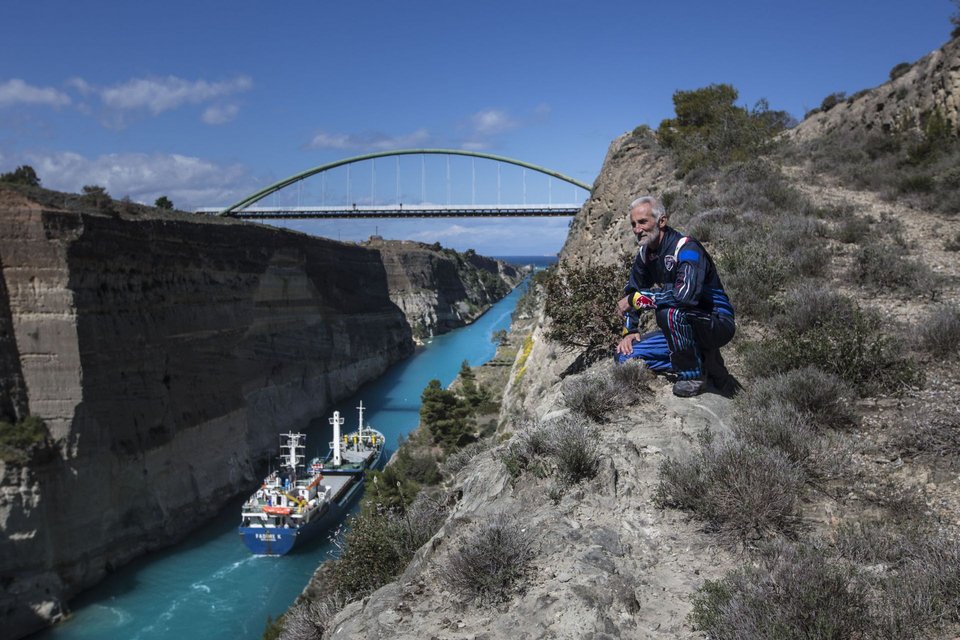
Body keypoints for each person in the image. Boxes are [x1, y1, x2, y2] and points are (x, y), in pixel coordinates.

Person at [615, 195, 740, 397]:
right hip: (682, 327)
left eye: (643, 222)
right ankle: (702, 359)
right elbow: (633, 290)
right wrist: (629, 330)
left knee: (668, 313)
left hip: (716, 322)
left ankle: (692, 375)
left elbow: (684, 297)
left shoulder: (687, 248)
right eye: (633, 224)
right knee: (624, 356)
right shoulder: (644, 255)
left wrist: (637, 299)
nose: (637, 230)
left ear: (662, 221)